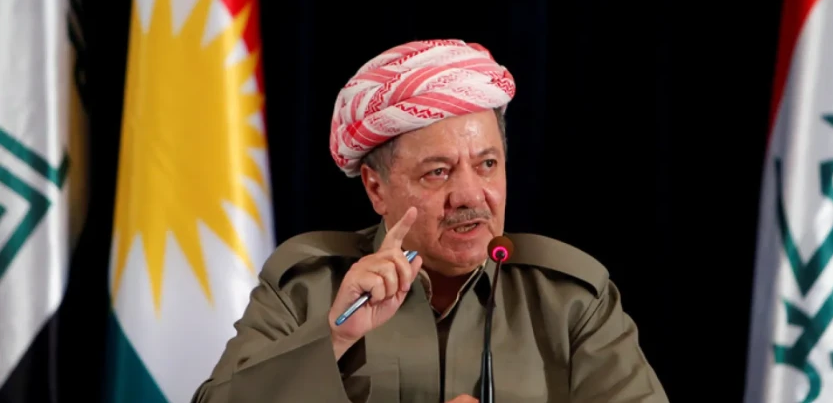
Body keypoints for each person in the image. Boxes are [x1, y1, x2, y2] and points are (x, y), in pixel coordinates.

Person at [191, 39, 668, 403]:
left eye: (487, 164)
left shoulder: (570, 299)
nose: (470, 196)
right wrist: (333, 337)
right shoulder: (307, 286)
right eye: (438, 172)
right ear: (376, 188)